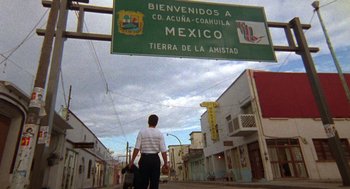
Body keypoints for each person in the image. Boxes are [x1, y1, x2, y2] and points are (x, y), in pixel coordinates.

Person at [129, 114, 168, 189]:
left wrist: (132, 161)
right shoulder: (159, 134)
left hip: (144, 160)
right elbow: (163, 151)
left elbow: (137, 148)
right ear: (156, 123)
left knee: (143, 183)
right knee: (154, 183)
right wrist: (165, 163)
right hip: (155, 160)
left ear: (148, 121)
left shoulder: (142, 132)